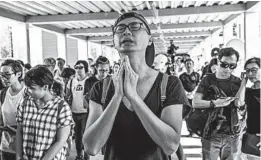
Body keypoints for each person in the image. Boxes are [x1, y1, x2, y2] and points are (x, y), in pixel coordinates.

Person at [83, 12, 189, 160]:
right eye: (120, 29)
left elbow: (170, 145)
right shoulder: (101, 88)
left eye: (135, 26)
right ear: (114, 41)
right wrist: (117, 96)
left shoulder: (169, 84)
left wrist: (133, 97)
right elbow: (91, 147)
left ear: (150, 40)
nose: (126, 31)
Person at [192, 47, 246, 160]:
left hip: (232, 134)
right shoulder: (207, 80)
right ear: (218, 61)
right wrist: (215, 103)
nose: (227, 69)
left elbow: (239, 103)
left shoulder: (238, 82)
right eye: (224, 64)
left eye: (232, 66)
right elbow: (195, 102)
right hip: (210, 133)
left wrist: (244, 83)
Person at [16, 65, 72, 160]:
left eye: (32, 88)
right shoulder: (25, 103)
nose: (27, 91)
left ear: (45, 87)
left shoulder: (61, 107)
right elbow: (19, 131)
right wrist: (18, 156)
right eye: (27, 87)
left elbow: (61, 141)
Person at [235, 57, 260, 160]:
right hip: (251, 137)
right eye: (247, 71)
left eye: (254, 70)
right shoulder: (248, 92)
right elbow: (238, 103)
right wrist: (243, 83)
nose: (250, 74)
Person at [0, 59, 25, 160]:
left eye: (7, 74)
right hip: (6, 145)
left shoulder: (28, 93)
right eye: (1, 75)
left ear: (18, 74)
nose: (3, 78)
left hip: (25, 145)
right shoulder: (2, 93)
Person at [67, 60, 89, 160]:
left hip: (86, 113)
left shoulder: (89, 81)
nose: (78, 69)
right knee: (78, 136)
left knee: (87, 136)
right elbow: (68, 95)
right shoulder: (71, 81)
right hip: (74, 112)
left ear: (85, 68)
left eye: (81, 67)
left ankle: (87, 156)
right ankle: (79, 155)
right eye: (76, 67)